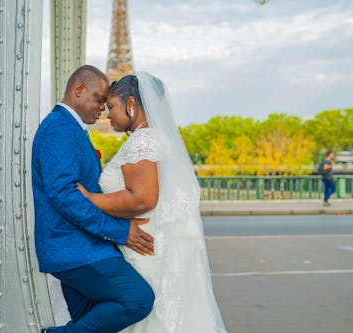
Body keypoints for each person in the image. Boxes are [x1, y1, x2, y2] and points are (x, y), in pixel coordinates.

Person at [77, 72, 228, 332]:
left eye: (112, 106)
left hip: (144, 250)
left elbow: (143, 198)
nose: (107, 114)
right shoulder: (156, 138)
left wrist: (91, 199)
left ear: (132, 105)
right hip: (153, 244)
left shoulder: (144, 140)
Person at [32, 65, 156, 333]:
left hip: (79, 247)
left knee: (91, 325)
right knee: (139, 299)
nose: (103, 107)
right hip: (74, 249)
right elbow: (64, 196)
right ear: (78, 90)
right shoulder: (59, 128)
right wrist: (121, 230)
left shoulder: (70, 128)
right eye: (99, 98)